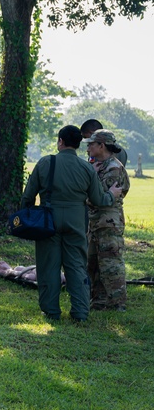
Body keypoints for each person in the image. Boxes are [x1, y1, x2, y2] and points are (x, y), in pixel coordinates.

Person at [21, 125, 121, 322]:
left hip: (48, 220)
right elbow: (99, 199)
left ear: (60, 141)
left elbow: (27, 196)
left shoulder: (45, 163)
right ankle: (80, 312)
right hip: (76, 221)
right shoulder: (86, 168)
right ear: (77, 144)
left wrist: (28, 216)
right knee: (76, 266)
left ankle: (51, 311)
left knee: (49, 266)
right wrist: (112, 195)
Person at [85, 129, 131, 311]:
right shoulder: (100, 165)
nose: (88, 148)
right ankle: (99, 301)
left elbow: (96, 197)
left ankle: (117, 303)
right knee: (94, 262)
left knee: (111, 263)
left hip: (109, 223)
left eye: (91, 144)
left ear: (101, 146)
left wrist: (89, 183)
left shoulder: (114, 168)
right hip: (97, 222)